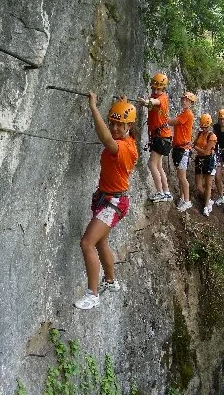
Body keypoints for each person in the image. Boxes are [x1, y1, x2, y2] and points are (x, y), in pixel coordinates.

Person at [74, 93, 138, 310]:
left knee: (87, 243)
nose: (114, 127)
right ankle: (111, 281)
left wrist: (94, 107)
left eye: (120, 125)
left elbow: (106, 139)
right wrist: (124, 103)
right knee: (100, 242)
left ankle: (92, 294)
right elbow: (113, 134)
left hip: (113, 203)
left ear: (129, 126)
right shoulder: (126, 141)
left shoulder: (124, 148)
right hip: (107, 200)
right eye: (112, 122)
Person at [138, 73, 173, 203]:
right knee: (158, 165)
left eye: (159, 89)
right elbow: (152, 103)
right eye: (154, 88)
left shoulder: (162, 98)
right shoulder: (156, 96)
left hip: (161, 137)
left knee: (151, 163)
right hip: (163, 137)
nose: (156, 91)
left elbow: (155, 102)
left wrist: (147, 102)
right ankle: (166, 191)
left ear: (163, 89)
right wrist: (147, 103)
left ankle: (160, 192)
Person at [168, 92, 196, 211]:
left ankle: (187, 201)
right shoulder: (184, 113)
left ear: (191, 103)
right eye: (183, 99)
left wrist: (161, 113)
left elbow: (171, 122)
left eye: (187, 100)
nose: (184, 101)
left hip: (183, 149)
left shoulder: (187, 114)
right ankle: (182, 197)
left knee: (182, 176)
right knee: (180, 176)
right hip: (180, 148)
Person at [193, 114, 217, 217]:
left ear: (209, 125)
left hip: (209, 160)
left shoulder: (212, 136)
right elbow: (195, 144)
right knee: (199, 186)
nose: (204, 129)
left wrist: (194, 147)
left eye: (205, 127)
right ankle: (209, 199)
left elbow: (206, 152)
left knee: (208, 184)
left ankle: (206, 206)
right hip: (199, 159)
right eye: (202, 127)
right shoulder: (200, 134)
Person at [213, 108, 224, 205]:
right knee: (217, 176)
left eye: (223, 119)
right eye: (220, 119)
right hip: (219, 153)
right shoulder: (215, 127)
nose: (222, 121)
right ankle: (221, 196)